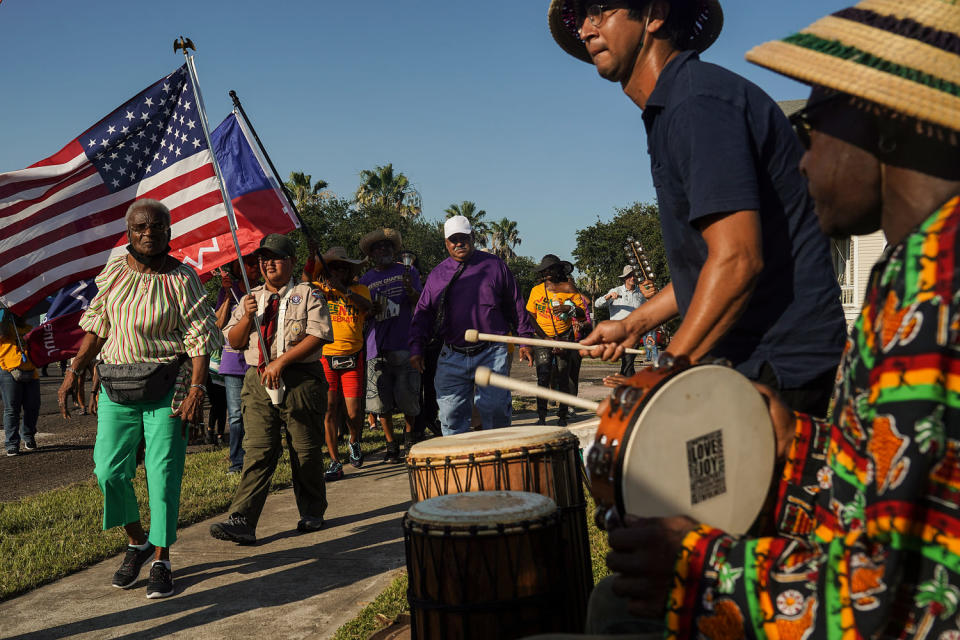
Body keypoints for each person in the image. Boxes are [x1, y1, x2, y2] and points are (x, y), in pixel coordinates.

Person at [536, 1, 960, 637]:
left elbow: (885, 597)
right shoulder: (910, 274)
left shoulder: (931, 296)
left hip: (777, 362)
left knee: (620, 612)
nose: (801, 160)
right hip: (768, 385)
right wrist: (801, 446)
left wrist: (693, 564)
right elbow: (881, 484)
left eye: (813, 128)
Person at [550, 0, 847, 416]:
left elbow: (737, 262)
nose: (585, 29)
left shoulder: (698, 104)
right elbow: (713, 265)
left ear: (654, 13)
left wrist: (659, 376)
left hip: (775, 363)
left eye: (599, 9)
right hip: (747, 359)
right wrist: (633, 324)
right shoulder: (676, 105)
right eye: (581, 17)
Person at [58, 199, 220, 599]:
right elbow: (98, 325)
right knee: (107, 471)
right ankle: (137, 542)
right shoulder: (115, 271)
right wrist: (75, 368)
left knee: (163, 475)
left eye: (157, 226)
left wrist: (198, 389)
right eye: (140, 227)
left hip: (169, 387)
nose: (149, 233)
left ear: (170, 231)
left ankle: (162, 558)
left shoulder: (184, 279)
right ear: (129, 232)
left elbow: (200, 340)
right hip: (117, 385)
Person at [210, 234, 333, 544]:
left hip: (300, 378)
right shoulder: (250, 299)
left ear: (291, 261)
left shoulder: (308, 295)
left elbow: (318, 336)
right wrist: (249, 316)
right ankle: (243, 519)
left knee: (304, 450)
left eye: (275, 257)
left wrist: (282, 362)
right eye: (263, 259)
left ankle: (312, 510)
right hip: (258, 380)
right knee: (259, 450)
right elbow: (234, 342)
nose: (267, 264)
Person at [409, 215, 537, 435]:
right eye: (453, 239)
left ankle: (498, 461)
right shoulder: (438, 275)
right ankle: (458, 466)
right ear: (446, 243)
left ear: (473, 237)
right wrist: (416, 347)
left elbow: (515, 303)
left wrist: (525, 339)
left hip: (491, 352)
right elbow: (423, 313)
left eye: (463, 237)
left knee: (495, 409)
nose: (459, 243)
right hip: (452, 353)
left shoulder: (495, 266)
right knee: (450, 415)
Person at [359, 228, 423, 461]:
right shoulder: (365, 280)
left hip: (405, 342)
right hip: (377, 347)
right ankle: (390, 444)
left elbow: (421, 302)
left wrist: (410, 290)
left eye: (387, 245)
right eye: (377, 247)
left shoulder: (409, 271)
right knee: (380, 401)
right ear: (372, 254)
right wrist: (369, 311)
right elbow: (360, 314)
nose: (383, 249)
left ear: (394, 250)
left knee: (408, 397)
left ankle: (408, 439)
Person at [309, 247, 372, 481]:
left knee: (354, 412)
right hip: (326, 356)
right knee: (329, 409)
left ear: (349, 271)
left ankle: (354, 440)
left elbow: (367, 307)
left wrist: (343, 290)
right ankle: (335, 461)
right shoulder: (319, 291)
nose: (338, 271)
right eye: (333, 267)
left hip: (353, 356)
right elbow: (305, 285)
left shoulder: (360, 290)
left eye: (343, 267)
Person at [526, 254, 587, 426]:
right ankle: (542, 417)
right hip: (542, 338)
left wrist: (570, 307)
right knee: (543, 376)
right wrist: (544, 337)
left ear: (559, 270)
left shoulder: (568, 288)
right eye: (544, 270)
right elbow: (530, 315)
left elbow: (583, 314)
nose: (547, 273)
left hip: (564, 337)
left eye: (551, 269)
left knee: (563, 375)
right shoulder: (536, 290)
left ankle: (562, 416)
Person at [214, 255, 260, 473]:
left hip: (258, 359)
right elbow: (219, 323)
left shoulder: (263, 290)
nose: (254, 267)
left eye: (256, 263)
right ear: (237, 267)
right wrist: (225, 296)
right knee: (235, 416)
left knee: (261, 411)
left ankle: (262, 453)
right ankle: (237, 461)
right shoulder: (228, 290)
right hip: (233, 362)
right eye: (249, 264)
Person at [594, 266, 658, 377]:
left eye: (634, 275)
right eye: (629, 275)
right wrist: (608, 297)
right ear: (624, 278)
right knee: (627, 363)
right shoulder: (616, 291)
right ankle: (626, 385)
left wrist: (649, 334)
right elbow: (597, 304)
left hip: (634, 334)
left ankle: (625, 385)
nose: (632, 278)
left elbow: (645, 315)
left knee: (628, 363)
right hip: (618, 334)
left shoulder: (641, 293)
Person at [1, 312, 40, 456]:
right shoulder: (5, 327)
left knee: (33, 406)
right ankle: (12, 443)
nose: (21, 315)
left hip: (31, 371)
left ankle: (28, 436)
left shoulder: (30, 328)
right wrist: (4, 321)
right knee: (12, 409)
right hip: (9, 370)